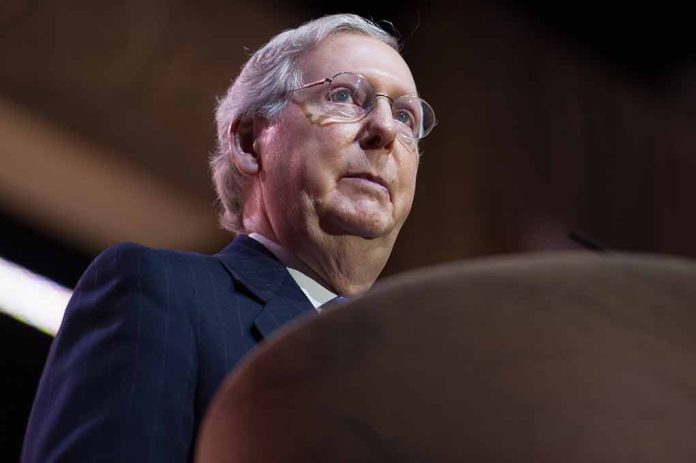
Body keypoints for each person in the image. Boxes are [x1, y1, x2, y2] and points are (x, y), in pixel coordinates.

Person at [22, 13, 436, 462]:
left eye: (405, 116)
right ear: (249, 141)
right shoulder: (158, 293)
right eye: (344, 96)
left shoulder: (417, 385)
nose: (386, 129)